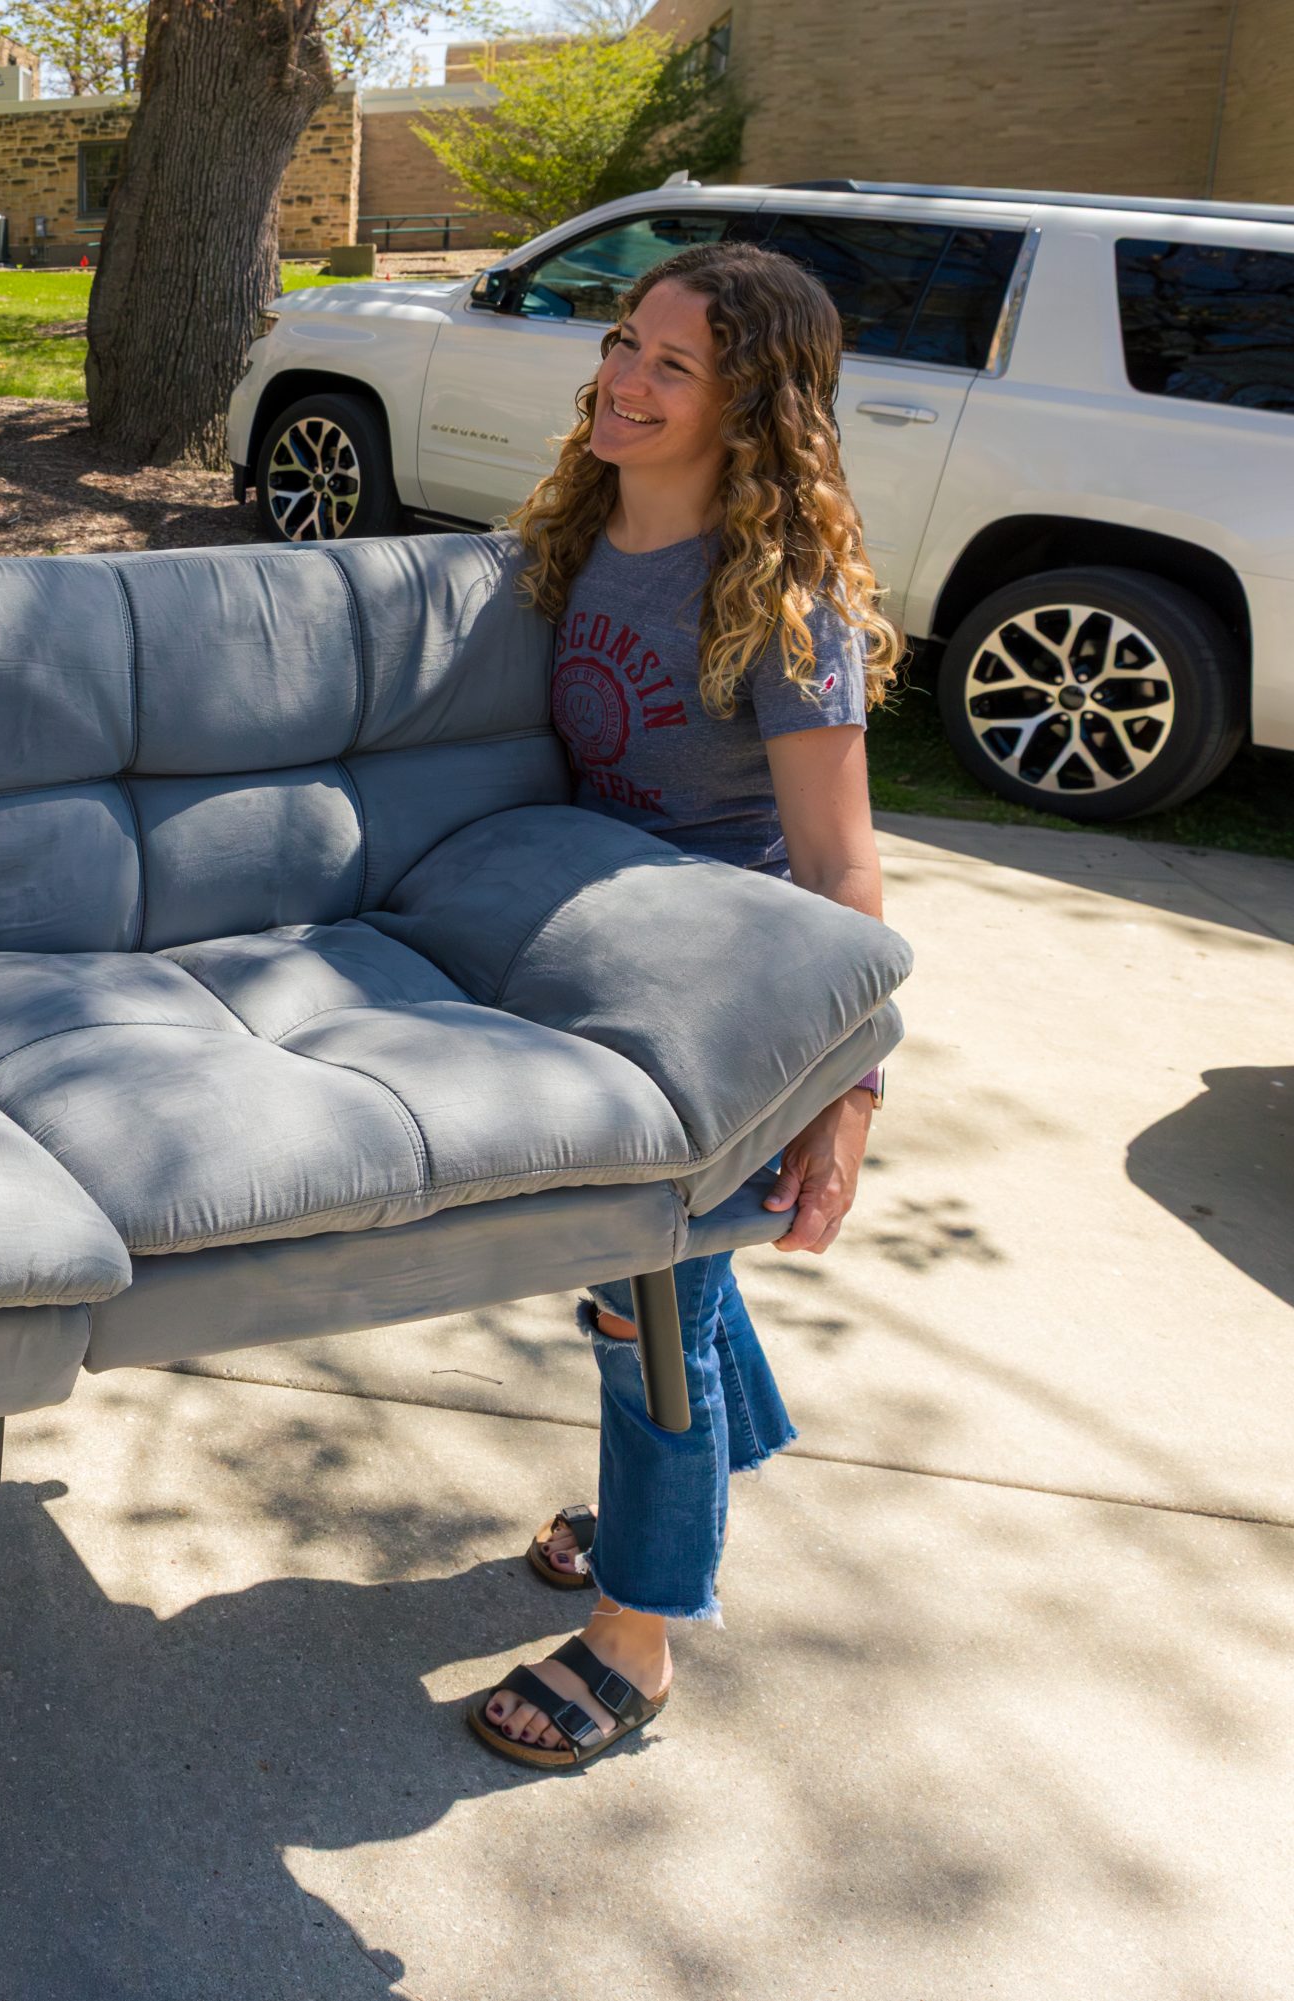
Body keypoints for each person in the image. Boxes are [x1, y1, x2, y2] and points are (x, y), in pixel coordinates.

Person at [467, 241, 898, 1771]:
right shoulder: (575, 537)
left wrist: (847, 1097)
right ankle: (708, 1459)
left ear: (752, 408)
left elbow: (845, 869)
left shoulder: (786, 602)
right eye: (622, 345)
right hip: (589, 975)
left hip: (727, 1015)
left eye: (672, 367)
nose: (623, 383)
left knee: (638, 1300)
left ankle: (636, 1643)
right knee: (672, 1301)